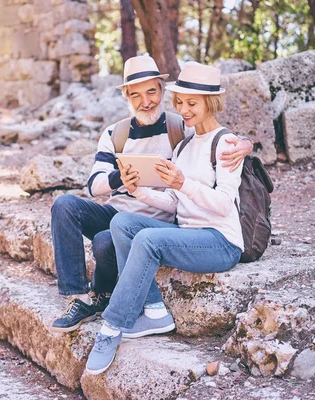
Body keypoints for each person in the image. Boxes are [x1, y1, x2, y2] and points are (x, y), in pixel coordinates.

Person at [50, 56, 252, 333]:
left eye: (152, 92)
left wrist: (245, 144)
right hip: (119, 210)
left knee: (104, 242)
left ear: (161, 90)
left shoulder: (179, 126)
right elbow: (94, 185)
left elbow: (214, 135)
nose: (146, 101)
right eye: (136, 95)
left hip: (161, 218)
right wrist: (122, 178)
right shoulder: (115, 133)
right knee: (65, 205)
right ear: (127, 97)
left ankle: (108, 296)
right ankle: (81, 297)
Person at [85, 61, 245, 374]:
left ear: (210, 103)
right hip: (188, 235)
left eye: (192, 103)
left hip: (220, 241)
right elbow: (173, 202)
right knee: (122, 223)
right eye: (180, 102)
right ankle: (156, 310)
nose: (184, 110)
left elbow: (226, 205)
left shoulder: (225, 144)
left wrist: (183, 183)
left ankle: (112, 327)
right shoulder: (184, 145)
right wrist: (139, 191)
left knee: (147, 238)